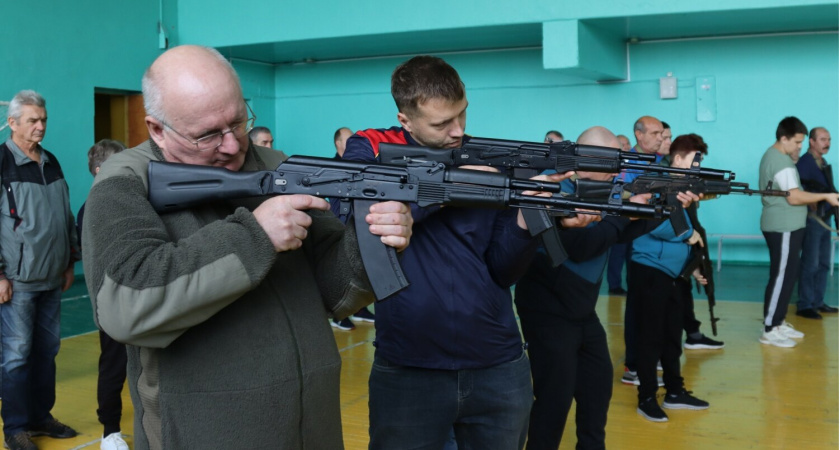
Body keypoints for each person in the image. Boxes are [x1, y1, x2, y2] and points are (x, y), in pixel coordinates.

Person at [81, 45, 413, 449]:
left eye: (238, 123)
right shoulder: (126, 184)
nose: (233, 146)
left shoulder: (275, 164)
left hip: (313, 428)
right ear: (156, 129)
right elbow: (124, 306)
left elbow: (335, 289)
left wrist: (373, 236)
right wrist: (255, 234)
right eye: (207, 135)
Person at [339, 55, 575, 450]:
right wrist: (447, 192)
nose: (458, 131)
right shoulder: (371, 148)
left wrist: (523, 221)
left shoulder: (483, 160)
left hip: (498, 365)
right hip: (408, 370)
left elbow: (503, 271)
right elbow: (354, 213)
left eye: (463, 115)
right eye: (442, 123)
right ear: (405, 121)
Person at [515, 126, 656, 449]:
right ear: (589, 160)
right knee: (554, 401)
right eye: (612, 162)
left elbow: (620, 232)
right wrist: (625, 211)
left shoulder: (599, 190)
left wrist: (664, 205)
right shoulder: (552, 188)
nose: (619, 169)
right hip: (548, 312)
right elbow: (583, 245)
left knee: (596, 389)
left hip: (581, 311)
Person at [1, 90, 79, 450]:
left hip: (52, 277)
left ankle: (39, 417)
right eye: (32, 120)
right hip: (17, 281)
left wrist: (70, 260)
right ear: (13, 123)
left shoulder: (52, 161)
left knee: (47, 350)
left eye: (43, 119)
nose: (40, 126)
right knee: (16, 355)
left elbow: (64, 215)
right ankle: (15, 426)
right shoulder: (2, 162)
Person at [631, 133, 708, 422]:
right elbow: (649, 223)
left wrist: (693, 266)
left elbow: (682, 223)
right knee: (649, 338)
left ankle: (675, 391)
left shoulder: (680, 187)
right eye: (694, 161)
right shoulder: (656, 180)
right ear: (678, 159)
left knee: (672, 338)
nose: (697, 168)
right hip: (650, 270)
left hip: (673, 274)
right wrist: (689, 235)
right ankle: (647, 398)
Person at [758, 117, 838, 347]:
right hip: (782, 226)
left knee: (788, 276)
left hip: (790, 226)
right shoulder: (780, 161)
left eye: (802, 143)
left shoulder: (781, 157)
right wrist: (824, 196)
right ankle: (770, 328)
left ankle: (779, 321)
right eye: (796, 142)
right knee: (781, 276)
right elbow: (794, 197)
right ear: (783, 138)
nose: (799, 147)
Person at [76, 139, 131, 450]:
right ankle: (110, 430)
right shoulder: (91, 210)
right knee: (114, 364)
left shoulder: (133, 201)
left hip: (140, 296)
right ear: (100, 170)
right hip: (111, 302)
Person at [329, 125, 375, 330]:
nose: (354, 143)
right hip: (339, 224)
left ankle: (359, 309)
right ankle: (339, 314)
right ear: (338, 143)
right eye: (348, 139)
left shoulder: (358, 164)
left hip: (358, 222)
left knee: (361, 266)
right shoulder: (331, 166)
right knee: (341, 268)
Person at [795, 127, 838, 318]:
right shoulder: (805, 162)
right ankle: (805, 305)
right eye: (822, 139)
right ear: (812, 141)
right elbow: (797, 187)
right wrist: (810, 199)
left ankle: (818, 302)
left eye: (828, 139)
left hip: (824, 217)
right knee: (810, 263)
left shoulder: (823, 162)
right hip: (812, 219)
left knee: (823, 264)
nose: (827, 143)